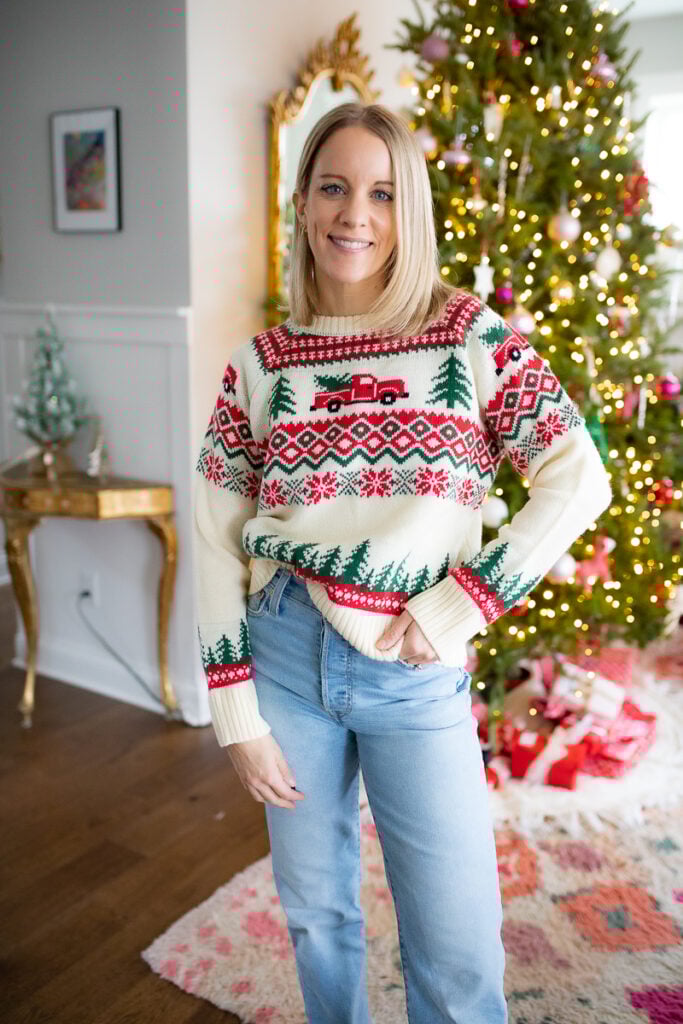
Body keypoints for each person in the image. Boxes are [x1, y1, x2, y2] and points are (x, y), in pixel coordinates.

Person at [193, 102, 612, 1024]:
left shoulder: (472, 337)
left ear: (407, 210)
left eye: (381, 193)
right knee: (314, 915)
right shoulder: (258, 367)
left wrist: (461, 605)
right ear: (302, 203)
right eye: (334, 188)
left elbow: (578, 479)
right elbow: (216, 534)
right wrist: (234, 710)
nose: (355, 214)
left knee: (458, 944)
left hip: (414, 667)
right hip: (284, 661)